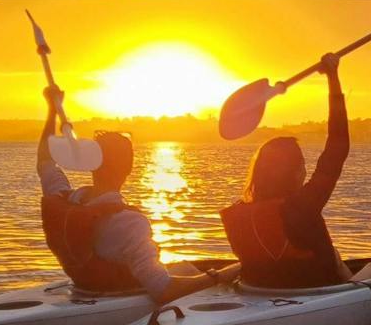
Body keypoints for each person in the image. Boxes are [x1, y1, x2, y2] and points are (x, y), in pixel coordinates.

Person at [38, 87, 236, 299]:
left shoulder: (68, 201)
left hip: (83, 287)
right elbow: (163, 290)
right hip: (116, 297)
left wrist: (51, 110)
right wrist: (220, 276)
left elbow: (45, 162)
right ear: (129, 167)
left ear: (91, 164)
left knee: (185, 268)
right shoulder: (130, 223)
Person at [220, 53, 371, 288]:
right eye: (303, 165)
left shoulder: (238, 215)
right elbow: (337, 148)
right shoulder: (302, 206)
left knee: (335, 255)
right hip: (319, 294)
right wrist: (333, 77)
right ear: (297, 171)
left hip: (259, 292)